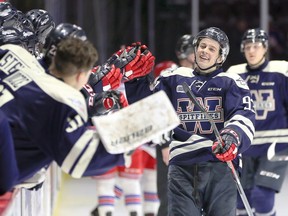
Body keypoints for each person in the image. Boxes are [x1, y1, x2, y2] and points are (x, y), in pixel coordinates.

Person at [110, 27, 255, 215]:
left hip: (220, 165)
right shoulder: (173, 78)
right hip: (182, 166)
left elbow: (243, 114)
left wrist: (233, 137)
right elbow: (149, 110)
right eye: (202, 45)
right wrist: (134, 81)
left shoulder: (231, 81)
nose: (205, 50)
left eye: (212, 48)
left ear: (220, 57)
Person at [0, 37, 129, 188]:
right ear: (81, 75)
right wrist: (126, 142)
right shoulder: (62, 100)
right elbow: (81, 159)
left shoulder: (13, 52)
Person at [226, 28, 288, 216]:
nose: (251, 51)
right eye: (247, 47)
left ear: (265, 48)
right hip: (245, 145)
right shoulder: (234, 74)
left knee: (262, 197)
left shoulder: (281, 70)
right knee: (241, 201)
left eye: (256, 46)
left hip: (275, 144)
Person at [155, 34, 195, 216]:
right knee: (169, 196)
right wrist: (164, 144)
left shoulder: (204, 77)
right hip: (172, 144)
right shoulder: (170, 77)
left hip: (195, 144)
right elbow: (159, 111)